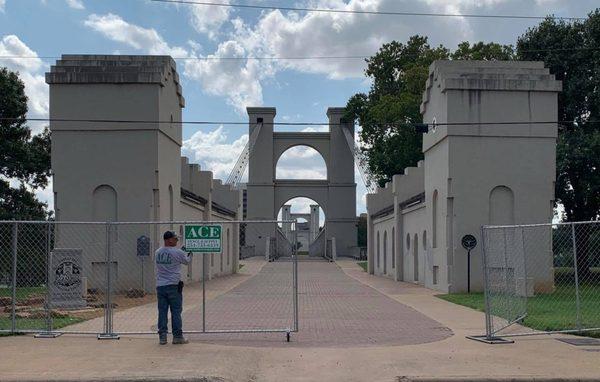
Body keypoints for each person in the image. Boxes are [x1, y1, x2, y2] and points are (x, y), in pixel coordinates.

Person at [155, 230, 191, 345]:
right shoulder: (177, 252)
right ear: (169, 240)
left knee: (162, 311)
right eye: (175, 239)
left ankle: (162, 336)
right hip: (173, 285)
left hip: (161, 285)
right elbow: (186, 261)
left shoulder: (158, 252)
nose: (176, 240)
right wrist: (190, 252)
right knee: (176, 311)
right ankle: (177, 336)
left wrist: (182, 250)